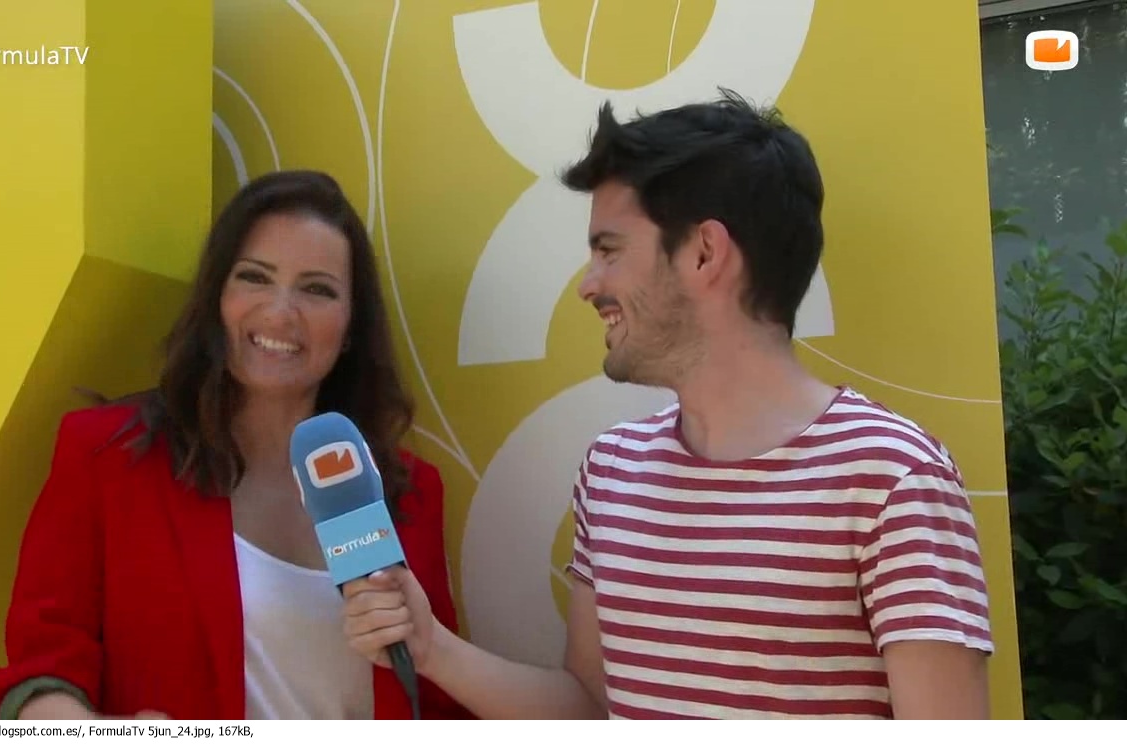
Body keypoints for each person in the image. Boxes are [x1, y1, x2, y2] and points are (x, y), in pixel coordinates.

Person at [340, 91, 995, 719]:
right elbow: (592, 711)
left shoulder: (892, 480)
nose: (588, 285)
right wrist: (431, 648)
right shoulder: (612, 471)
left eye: (608, 250)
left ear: (705, 253)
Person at [0, 169, 469, 720]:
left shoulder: (410, 492)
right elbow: (38, 674)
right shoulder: (106, 454)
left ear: (351, 326)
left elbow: (438, 707)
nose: (280, 312)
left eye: (317, 289)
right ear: (218, 295)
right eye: (255, 277)